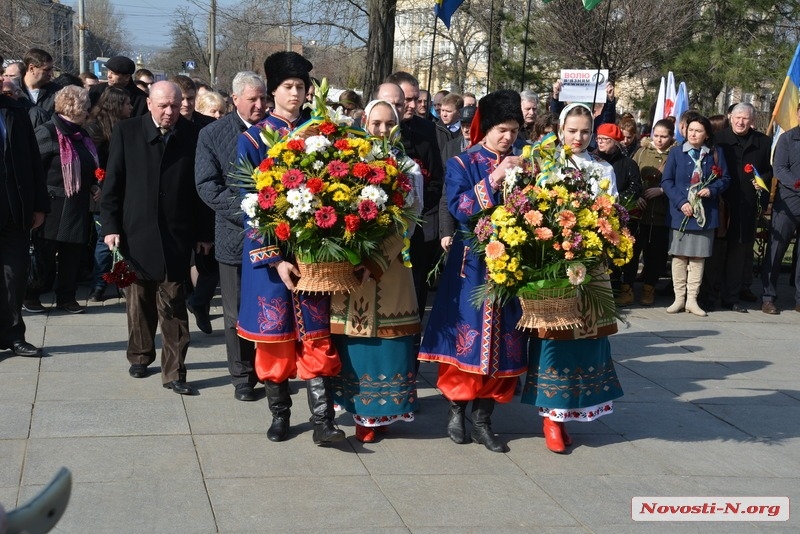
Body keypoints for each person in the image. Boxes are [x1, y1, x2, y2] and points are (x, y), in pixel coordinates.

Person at [236, 52, 345, 445]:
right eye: (288, 87)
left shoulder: (323, 135)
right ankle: (280, 415)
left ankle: (322, 422)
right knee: (276, 342)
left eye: (301, 87)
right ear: (272, 92)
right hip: (270, 259)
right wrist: (276, 258)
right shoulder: (251, 140)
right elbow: (249, 206)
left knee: (316, 338)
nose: (295, 94)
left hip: (315, 256)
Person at [418, 90, 528, 453]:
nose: (508, 137)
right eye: (501, 129)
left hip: (509, 267)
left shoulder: (523, 164)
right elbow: (461, 207)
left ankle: (483, 419)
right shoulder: (462, 163)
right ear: (485, 127)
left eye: (513, 130)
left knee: (504, 343)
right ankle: (456, 408)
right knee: (467, 337)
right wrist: (494, 178)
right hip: (471, 266)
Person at [521, 103, 623, 454]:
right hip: (555, 265)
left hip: (591, 263)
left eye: (584, 131)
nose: (578, 137)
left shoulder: (604, 169)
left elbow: (612, 213)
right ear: (560, 130)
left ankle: (574, 408)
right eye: (572, 130)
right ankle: (552, 416)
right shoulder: (545, 164)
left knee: (588, 338)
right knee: (555, 336)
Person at [100, 81, 213, 395]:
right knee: (138, 302)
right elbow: (113, 184)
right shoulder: (127, 132)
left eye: (175, 106)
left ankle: (175, 372)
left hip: (176, 234)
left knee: (174, 303)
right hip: (135, 232)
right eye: (163, 105)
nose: (169, 112)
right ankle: (140, 353)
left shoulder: (192, 135)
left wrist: (204, 233)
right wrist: (110, 226)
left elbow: (201, 190)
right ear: (148, 103)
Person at [330, 100, 424, 443]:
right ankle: (360, 413)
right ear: (364, 121)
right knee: (355, 345)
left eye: (389, 124)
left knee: (387, 344)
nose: (382, 130)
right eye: (377, 123)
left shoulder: (407, 167)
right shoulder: (347, 160)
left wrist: (377, 260)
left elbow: (410, 220)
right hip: (351, 268)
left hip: (390, 267)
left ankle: (381, 412)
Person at [195, 71, 266, 402]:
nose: (259, 105)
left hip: (274, 236)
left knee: (270, 305)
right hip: (236, 234)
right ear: (234, 99)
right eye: (252, 99)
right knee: (236, 310)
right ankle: (242, 376)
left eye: (263, 98)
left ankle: (269, 368)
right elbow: (207, 184)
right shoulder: (213, 133)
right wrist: (249, 211)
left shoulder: (276, 131)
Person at [22, 86, 98, 314]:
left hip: (77, 203)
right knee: (44, 252)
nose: (88, 111)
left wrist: (95, 184)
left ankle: (67, 296)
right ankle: (31, 294)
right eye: (85, 106)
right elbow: (32, 168)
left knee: (73, 254)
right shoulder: (47, 132)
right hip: (52, 205)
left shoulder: (82, 134)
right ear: (73, 106)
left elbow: (89, 164)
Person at [381, 73, 444, 324]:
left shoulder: (426, 129)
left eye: (414, 100)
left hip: (415, 230)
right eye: (404, 101)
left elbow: (436, 178)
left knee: (413, 300)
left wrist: (412, 207)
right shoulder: (365, 134)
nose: (410, 106)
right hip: (377, 231)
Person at [661, 115, 730, 316]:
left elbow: (725, 178)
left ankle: (692, 299)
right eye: (690, 130)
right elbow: (667, 181)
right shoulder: (676, 153)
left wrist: (712, 190)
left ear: (707, 134)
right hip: (680, 213)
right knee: (679, 256)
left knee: (698, 258)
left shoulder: (714, 154)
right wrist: (681, 202)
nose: (693, 134)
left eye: (698, 131)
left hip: (704, 214)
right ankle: (679, 298)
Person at [0, 84, 49, 357]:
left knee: (14, 277)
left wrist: (39, 206)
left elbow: (33, 160)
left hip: (14, 210)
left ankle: (14, 334)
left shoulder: (15, 111)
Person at [709, 103, 772, 313]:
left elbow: (767, 172)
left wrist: (761, 182)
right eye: (737, 117)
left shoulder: (762, 142)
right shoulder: (718, 140)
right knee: (716, 253)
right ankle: (710, 295)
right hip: (721, 203)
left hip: (745, 205)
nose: (740, 122)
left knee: (738, 255)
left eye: (745, 118)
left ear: (752, 120)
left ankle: (731, 297)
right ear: (730, 117)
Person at [172, 75, 217, 334]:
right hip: (178, 203)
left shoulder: (207, 126)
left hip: (204, 202)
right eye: (183, 99)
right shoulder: (166, 124)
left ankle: (199, 301)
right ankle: (188, 305)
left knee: (209, 261)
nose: (187, 104)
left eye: (191, 99)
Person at [84, 87, 133, 302]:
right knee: (105, 242)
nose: (131, 108)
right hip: (103, 193)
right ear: (116, 105)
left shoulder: (129, 128)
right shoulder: (95, 130)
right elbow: (93, 163)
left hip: (125, 192)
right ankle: (99, 284)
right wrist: (98, 186)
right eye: (127, 104)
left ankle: (123, 281)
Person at [594, 123, 642, 306]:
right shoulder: (593, 161)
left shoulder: (628, 164)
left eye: (605, 140)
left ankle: (623, 287)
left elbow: (635, 187)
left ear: (615, 142)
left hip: (620, 216)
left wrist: (617, 200)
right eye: (599, 139)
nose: (601, 143)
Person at [631, 118, 675, 306]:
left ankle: (650, 288)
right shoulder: (641, 153)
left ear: (671, 137)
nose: (659, 140)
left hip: (662, 214)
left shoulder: (675, 155)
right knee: (633, 252)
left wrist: (663, 190)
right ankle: (628, 287)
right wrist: (637, 196)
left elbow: (679, 180)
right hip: (640, 214)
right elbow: (632, 177)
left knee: (656, 255)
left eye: (664, 136)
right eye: (656, 135)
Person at [761, 102, 800, 315]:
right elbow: (780, 169)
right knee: (776, 252)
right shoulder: (787, 138)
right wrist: (798, 184)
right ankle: (768, 297)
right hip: (788, 203)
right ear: (797, 114)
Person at [20, 49, 61, 117]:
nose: (51, 74)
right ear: (31, 68)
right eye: (46, 70)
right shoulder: (13, 90)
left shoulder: (57, 93)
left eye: (51, 69)